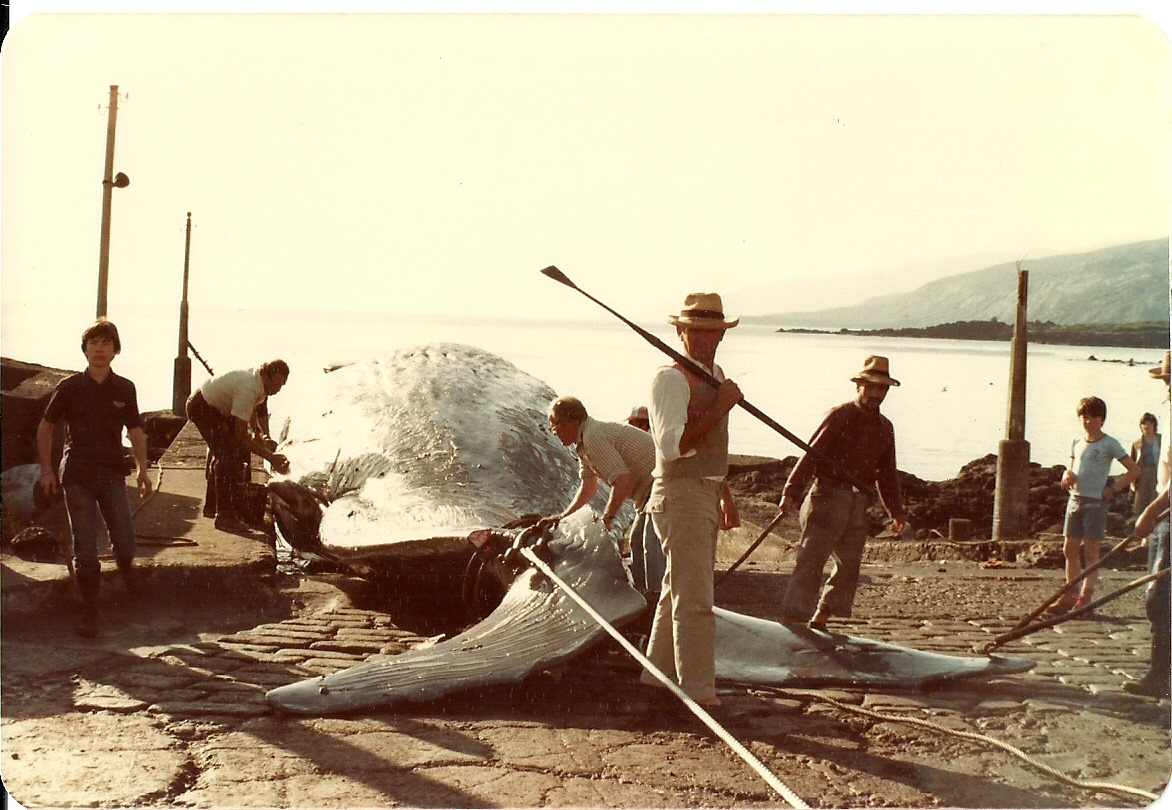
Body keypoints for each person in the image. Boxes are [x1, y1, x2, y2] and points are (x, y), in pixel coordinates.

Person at [639, 292, 742, 708]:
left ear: (721, 333)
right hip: (679, 495)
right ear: (680, 332)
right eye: (696, 331)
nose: (706, 339)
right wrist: (720, 408)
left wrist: (725, 495)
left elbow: (713, 445)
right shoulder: (670, 378)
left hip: (705, 490)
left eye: (713, 331)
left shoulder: (714, 372)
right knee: (696, 599)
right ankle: (700, 694)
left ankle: (655, 678)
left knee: (676, 589)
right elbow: (669, 448)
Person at [36, 319, 154, 637]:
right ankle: (90, 613)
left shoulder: (124, 388)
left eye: (106, 343)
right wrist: (48, 471)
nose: (99, 349)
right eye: (93, 343)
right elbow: (46, 427)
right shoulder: (70, 387)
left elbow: (136, 431)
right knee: (85, 548)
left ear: (115, 351)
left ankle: (128, 581)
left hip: (112, 472)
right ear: (85, 349)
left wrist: (143, 469)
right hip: (77, 473)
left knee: (126, 542)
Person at [776, 355, 909, 633]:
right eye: (870, 387)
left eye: (881, 389)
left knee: (849, 566)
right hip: (826, 496)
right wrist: (791, 491)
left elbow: (886, 473)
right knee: (811, 560)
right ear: (858, 386)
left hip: (857, 502)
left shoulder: (886, 428)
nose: (876, 394)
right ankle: (792, 623)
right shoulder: (840, 415)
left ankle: (821, 618)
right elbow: (810, 455)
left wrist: (896, 511)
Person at [542, 396, 663, 596]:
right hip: (647, 495)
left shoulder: (593, 437)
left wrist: (608, 518)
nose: (555, 433)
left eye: (557, 426)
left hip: (661, 486)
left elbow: (623, 480)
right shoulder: (583, 444)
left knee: (651, 545)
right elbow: (589, 487)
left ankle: (658, 602)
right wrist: (563, 517)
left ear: (572, 422)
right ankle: (644, 597)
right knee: (636, 542)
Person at [1049, 396, 1141, 615]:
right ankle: (1069, 595)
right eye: (1084, 417)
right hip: (1075, 500)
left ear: (1102, 420)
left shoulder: (1110, 443)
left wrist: (1114, 488)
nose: (1088, 421)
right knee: (1069, 548)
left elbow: (1134, 470)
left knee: (1091, 551)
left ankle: (1086, 597)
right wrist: (1066, 474)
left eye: (1093, 417)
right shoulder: (1077, 441)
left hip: (1096, 503)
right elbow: (1073, 466)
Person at [186, 360, 292, 534]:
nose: (279, 389)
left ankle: (213, 506)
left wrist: (259, 435)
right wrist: (270, 457)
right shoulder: (249, 387)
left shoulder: (259, 384)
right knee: (228, 457)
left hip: (218, 407)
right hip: (202, 407)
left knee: (235, 453)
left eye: (282, 384)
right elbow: (240, 435)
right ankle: (224, 517)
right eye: (277, 382)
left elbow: (250, 411)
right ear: (267, 375)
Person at [1124, 352, 1171, 699]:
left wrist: (1149, 514)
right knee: (1159, 599)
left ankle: (1159, 676)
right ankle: (1160, 674)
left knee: (1159, 597)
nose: (1168, 386)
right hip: (1163, 520)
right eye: (1166, 380)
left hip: (1167, 517)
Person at [1129, 412, 1161, 519]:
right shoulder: (1136, 443)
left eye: (1149, 423)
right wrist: (1132, 481)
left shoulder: (1161, 439)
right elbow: (1132, 463)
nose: (1146, 426)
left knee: (1156, 501)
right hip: (1142, 474)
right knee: (1140, 504)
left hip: (1158, 473)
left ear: (1154, 425)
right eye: (1144, 424)